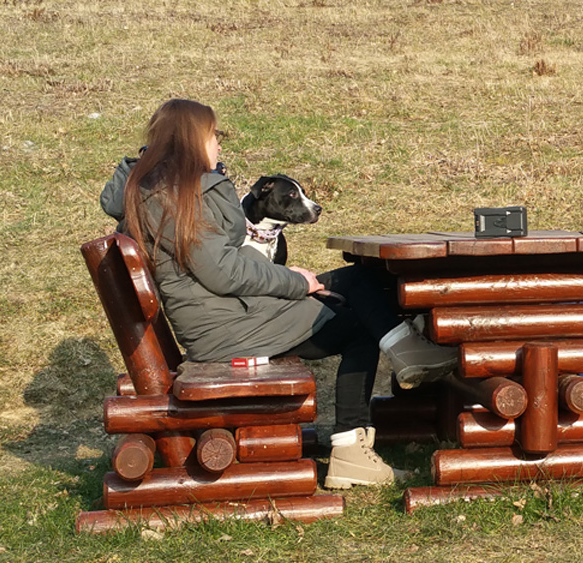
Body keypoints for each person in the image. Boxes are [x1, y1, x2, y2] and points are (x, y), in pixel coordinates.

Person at [100, 99, 455, 488]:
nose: (218, 143)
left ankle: (401, 363)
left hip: (223, 316)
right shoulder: (177, 196)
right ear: (191, 140)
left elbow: (216, 268)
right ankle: (358, 440)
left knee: (358, 285)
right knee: (357, 322)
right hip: (226, 328)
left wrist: (294, 282)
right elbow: (223, 272)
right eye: (213, 135)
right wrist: (295, 282)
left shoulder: (157, 192)